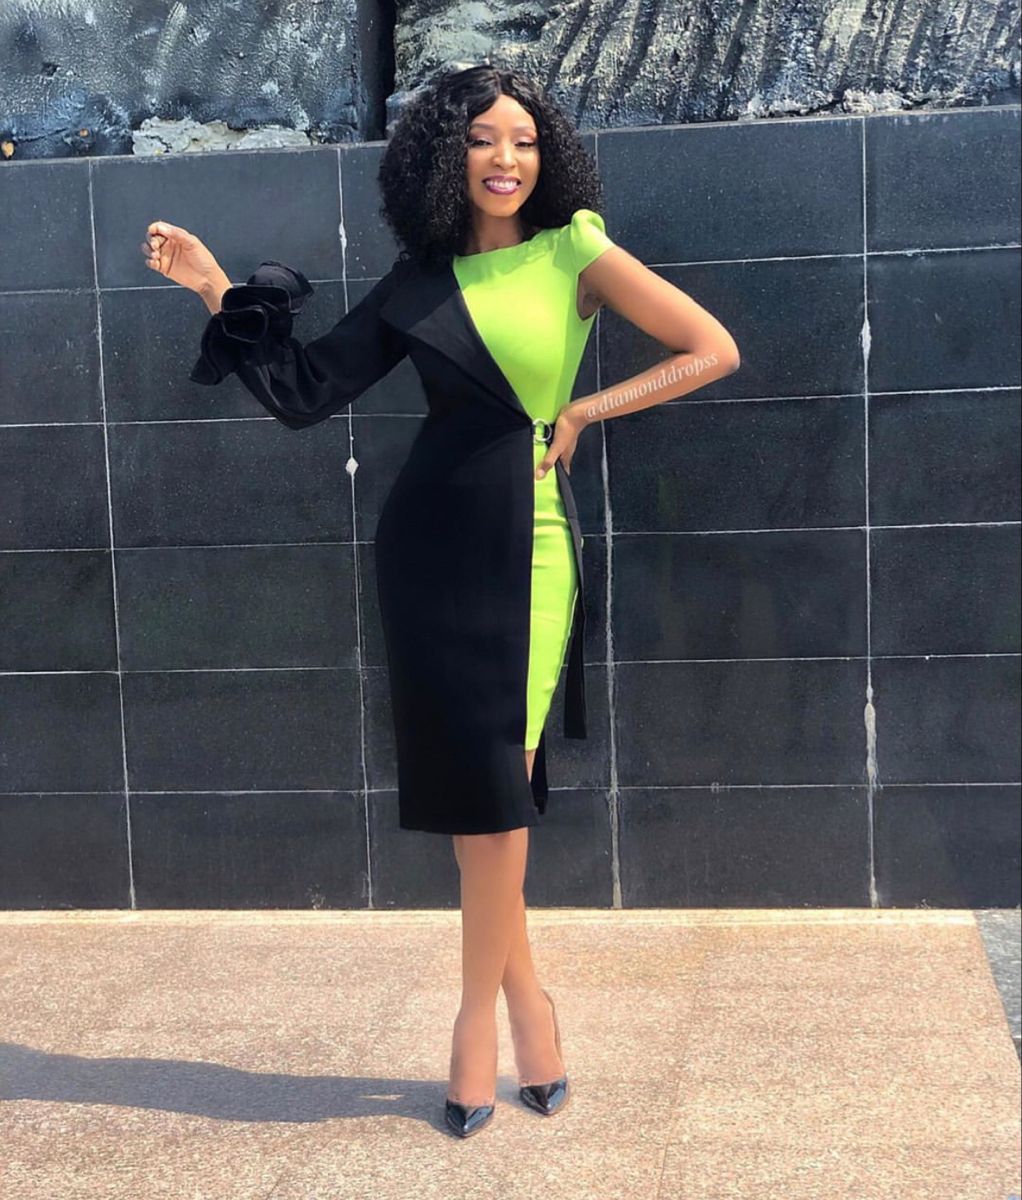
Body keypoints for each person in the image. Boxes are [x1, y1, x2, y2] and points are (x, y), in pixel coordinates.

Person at [141, 63, 740, 1139]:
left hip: (530, 544)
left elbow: (711, 349)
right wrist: (211, 284)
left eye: (524, 139)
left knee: (500, 777)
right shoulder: (418, 282)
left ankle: (475, 1027)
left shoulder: (575, 249)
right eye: (482, 140)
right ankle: (530, 1013)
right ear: (441, 156)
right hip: (426, 545)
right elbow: (305, 392)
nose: (507, 159)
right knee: (476, 793)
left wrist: (584, 411)